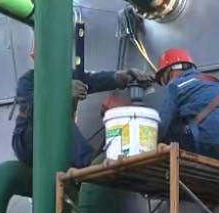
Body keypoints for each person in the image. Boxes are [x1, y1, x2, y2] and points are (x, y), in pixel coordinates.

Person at [11, 54, 143, 167]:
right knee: (55, 116)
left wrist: (122, 76)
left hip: (53, 142)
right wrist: (63, 92)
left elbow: (92, 80)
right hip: (27, 142)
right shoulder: (28, 80)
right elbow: (36, 107)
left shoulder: (66, 75)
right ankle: (89, 161)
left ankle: (93, 160)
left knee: (58, 118)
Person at [152, 47, 219, 165]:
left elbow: (162, 125)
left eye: (163, 80)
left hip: (218, 146)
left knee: (170, 129)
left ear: (169, 71)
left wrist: (147, 145)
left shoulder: (175, 85)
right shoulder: (213, 83)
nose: (165, 84)